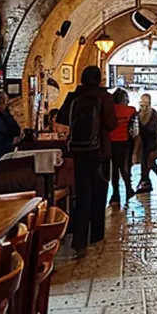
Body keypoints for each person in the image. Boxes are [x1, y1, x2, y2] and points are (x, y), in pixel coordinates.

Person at [56, 66, 117, 258]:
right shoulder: (104, 97)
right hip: (99, 152)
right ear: (99, 79)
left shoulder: (74, 96)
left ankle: (79, 240)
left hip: (79, 153)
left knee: (82, 195)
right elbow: (112, 124)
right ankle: (96, 235)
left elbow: (61, 120)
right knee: (99, 193)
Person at [134, 93, 157, 193]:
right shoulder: (140, 114)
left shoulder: (153, 114)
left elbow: (152, 130)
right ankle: (146, 181)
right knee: (146, 164)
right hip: (144, 144)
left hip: (152, 143)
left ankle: (148, 181)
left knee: (149, 164)